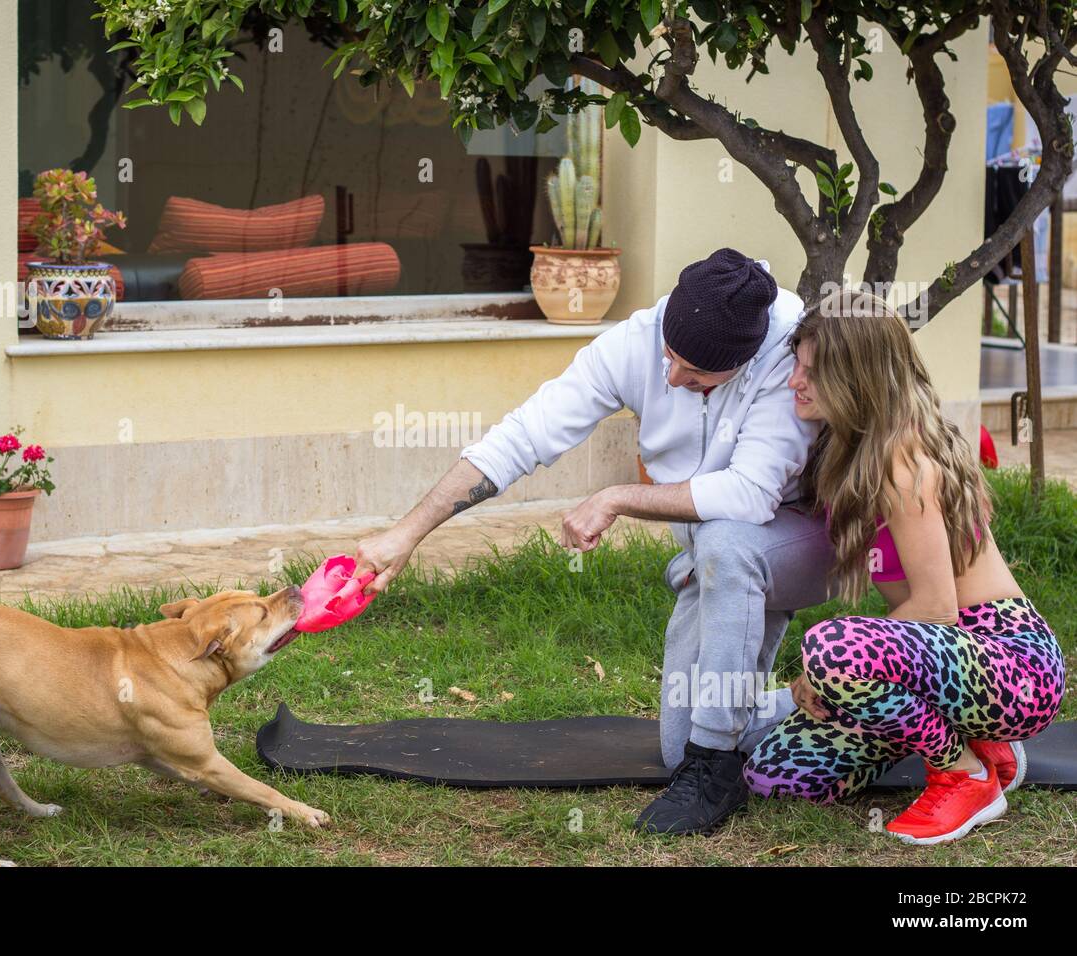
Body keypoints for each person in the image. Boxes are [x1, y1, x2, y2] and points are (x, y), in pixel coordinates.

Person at [343, 248, 835, 835]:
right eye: (670, 358)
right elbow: (524, 434)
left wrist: (616, 497)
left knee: (728, 546)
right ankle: (827, 703)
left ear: (744, 358)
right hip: (718, 560)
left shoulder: (785, 356)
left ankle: (716, 769)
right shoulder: (637, 341)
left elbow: (752, 495)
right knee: (680, 741)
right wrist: (407, 534)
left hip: (805, 543)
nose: (674, 379)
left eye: (697, 375)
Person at [742, 290, 1066, 845]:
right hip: (941, 668)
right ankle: (977, 741)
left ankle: (962, 772)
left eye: (813, 372)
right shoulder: (849, 448)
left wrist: (823, 671)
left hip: (1010, 661)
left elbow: (938, 609)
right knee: (776, 773)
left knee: (833, 649)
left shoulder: (901, 458)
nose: (795, 381)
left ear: (859, 378)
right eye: (797, 364)